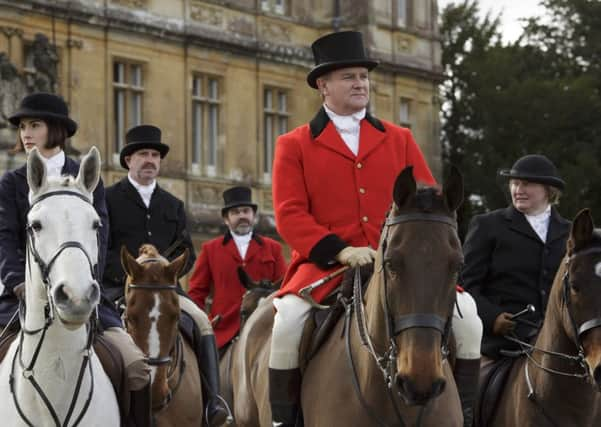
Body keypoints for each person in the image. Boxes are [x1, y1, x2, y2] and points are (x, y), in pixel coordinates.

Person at [269, 31, 483, 427]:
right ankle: (286, 420)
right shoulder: (294, 144)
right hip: (327, 269)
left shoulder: (398, 138)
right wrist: (339, 250)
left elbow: (428, 201)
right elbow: (289, 213)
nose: (359, 84)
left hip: (402, 266)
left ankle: (466, 414)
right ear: (323, 85)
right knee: (286, 325)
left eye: (364, 77)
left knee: (469, 319)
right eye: (349, 76)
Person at [0, 92, 151, 425]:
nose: (25, 133)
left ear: (56, 130)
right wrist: (17, 283)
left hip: (84, 294)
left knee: (137, 368)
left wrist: (85, 282)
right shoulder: (10, 183)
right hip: (20, 300)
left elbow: (100, 235)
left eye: (34, 125)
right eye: (23, 127)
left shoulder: (87, 179)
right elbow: (5, 239)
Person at [103, 124, 229, 427]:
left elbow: (187, 251)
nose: (150, 160)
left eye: (155, 155)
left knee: (201, 321)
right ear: (128, 160)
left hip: (166, 290)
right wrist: (136, 270)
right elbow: (99, 249)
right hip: (120, 288)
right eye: (143, 154)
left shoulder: (173, 204)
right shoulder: (108, 199)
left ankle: (213, 402)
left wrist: (163, 269)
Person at [462, 154, 570, 363]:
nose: (518, 190)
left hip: (562, 346)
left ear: (549, 190)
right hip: (503, 345)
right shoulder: (487, 226)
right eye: (514, 183)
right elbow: (464, 285)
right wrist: (491, 317)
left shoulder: (571, 232)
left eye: (526, 184)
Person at [188, 185, 287, 349]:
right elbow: (196, 293)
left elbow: (284, 287)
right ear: (226, 219)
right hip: (223, 332)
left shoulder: (273, 248)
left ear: (253, 215)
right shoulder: (210, 250)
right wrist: (203, 324)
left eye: (246, 211)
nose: (242, 216)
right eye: (235, 212)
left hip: (266, 330)